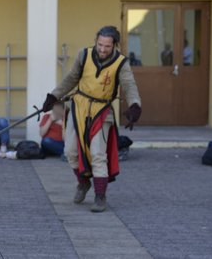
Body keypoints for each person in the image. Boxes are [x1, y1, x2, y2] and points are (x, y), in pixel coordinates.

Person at [42, 26, 142, 213]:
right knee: (70, 151)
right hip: (78, 106)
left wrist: (135, 105)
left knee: (97, 154)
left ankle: (100, 196)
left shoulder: (121, 63)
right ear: (96, 41)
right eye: (100, 45)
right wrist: (53, 96)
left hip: (102, 111)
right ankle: (83, 182)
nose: (102, 49)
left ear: (115, 45)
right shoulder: (84, 55)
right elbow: (71, 78)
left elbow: (129, 85)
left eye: (107, 46)